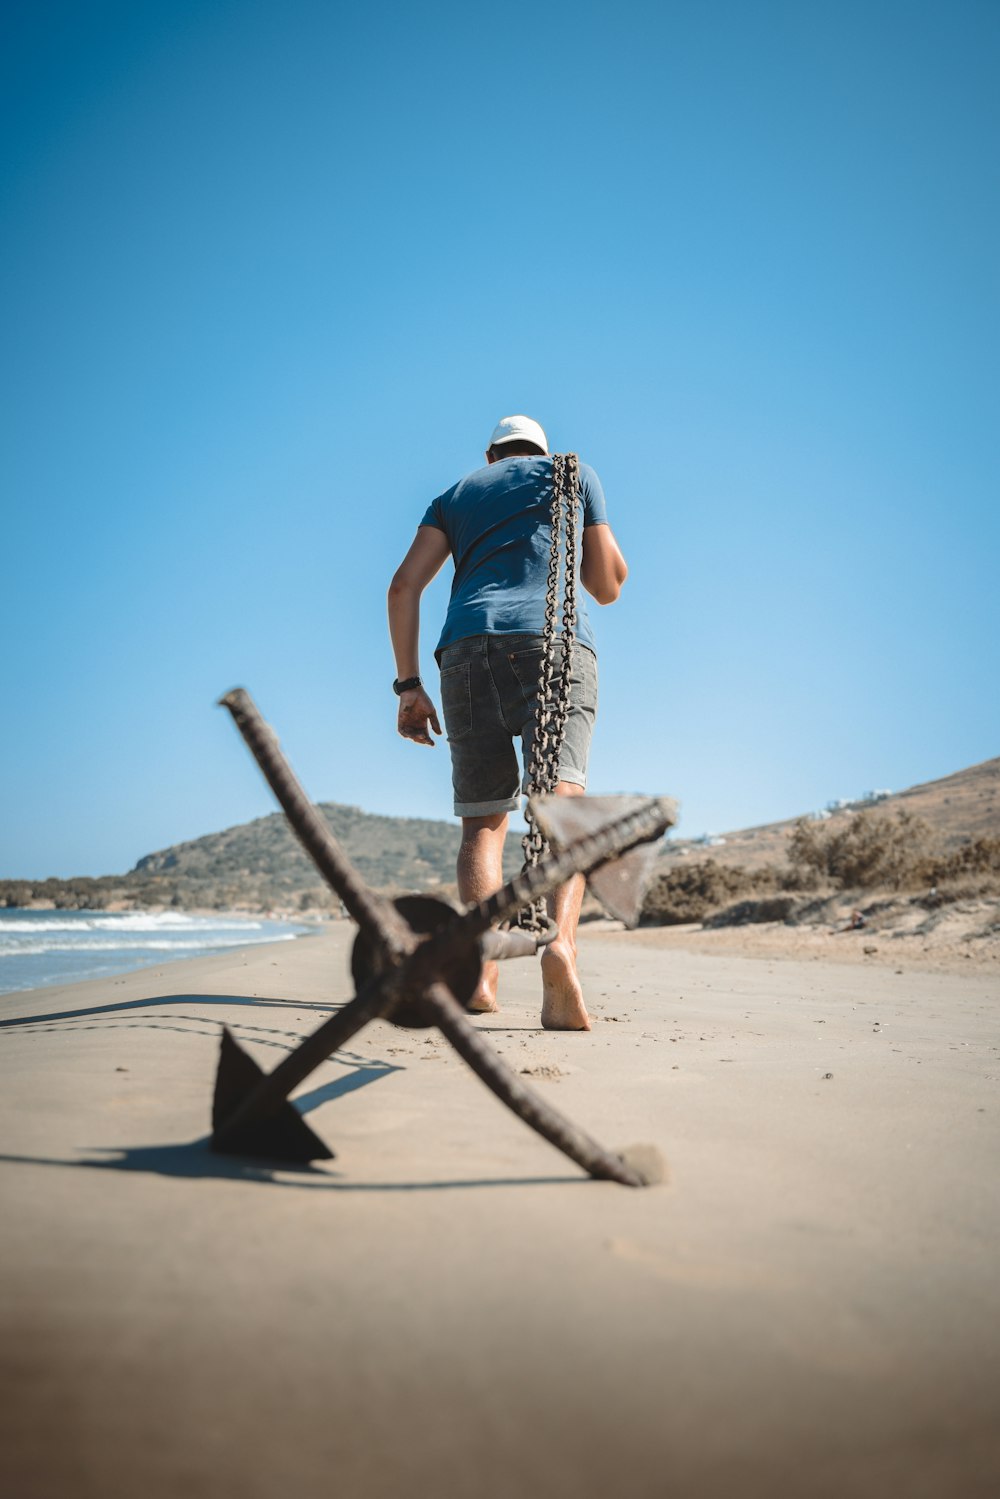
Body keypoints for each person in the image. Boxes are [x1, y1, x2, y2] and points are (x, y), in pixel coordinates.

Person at [387, 414, 628, 1030]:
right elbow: (605, 586)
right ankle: (560, 949)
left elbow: (403, 587)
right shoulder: (573, 475)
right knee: (563, 811)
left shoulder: (456, 496)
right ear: (537, 452)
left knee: (484, 824)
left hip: (464, 650)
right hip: (555, 644)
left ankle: (482, 972)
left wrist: (409, 686)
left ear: (492, 455)